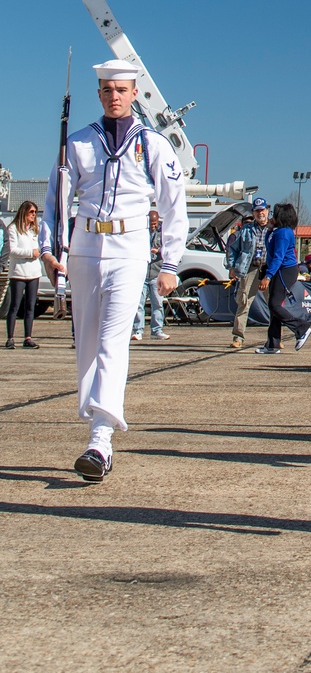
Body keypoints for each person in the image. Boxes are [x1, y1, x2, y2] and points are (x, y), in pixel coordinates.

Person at [40, 59, 188, 482]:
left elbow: (174, 208)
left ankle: (100, 439)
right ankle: (95, 427)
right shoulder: (78, 143)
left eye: (121, 89)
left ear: (135, 92)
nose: (114, 96)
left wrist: (170, 263)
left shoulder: (154, 145)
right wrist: (52, 251)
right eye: (107, 90)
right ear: (100, 92)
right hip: (85, 248)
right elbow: (55, 200)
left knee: (111, 341)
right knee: (86, 345)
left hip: (129, 249)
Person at [257, 202, 311, 354]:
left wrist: (268, 276)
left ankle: (301, 328)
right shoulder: (279, 231)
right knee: (273, 306)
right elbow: (269, 246)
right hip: (281, 270)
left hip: (284, 270)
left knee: (275, 305)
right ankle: (272, 343)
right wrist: (269, 229)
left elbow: (278, 257)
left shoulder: (283, 233)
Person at [227, 198, 271, 349]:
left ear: (267, 211)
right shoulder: (246, 230)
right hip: (250, 268)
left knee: (273, 304)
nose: (260, 213)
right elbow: (232, 249)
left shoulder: (274, 229)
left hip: (268, 269)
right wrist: (232, 266)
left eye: (262, 210)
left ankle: (274, 338)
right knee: (244, 302)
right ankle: (238, 337)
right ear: (253, 212)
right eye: (257, 210)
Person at [5, 200, 43, 349]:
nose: (33, 215)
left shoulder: (34, 230)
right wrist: (30, 253)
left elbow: (39, 248)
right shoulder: (13, 228)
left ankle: (28, 337)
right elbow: (13, 250)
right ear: (24, 212)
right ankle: (10, 338)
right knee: (15, 305)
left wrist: (38, 253)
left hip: (33, 272)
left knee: (30, 305)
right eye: (31, 212)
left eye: (35, 212)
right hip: (18, 273)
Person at [132, 208, 169, 341]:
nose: (153, 226)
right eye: (151, 223)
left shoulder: (163, 234)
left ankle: (157, 330)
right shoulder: (141, 233)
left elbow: (169, 249)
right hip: (142, 273)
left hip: (155, 273)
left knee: (158, 304)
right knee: (138, 304)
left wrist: (159, 251)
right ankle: (137, 330)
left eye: (154, 223)